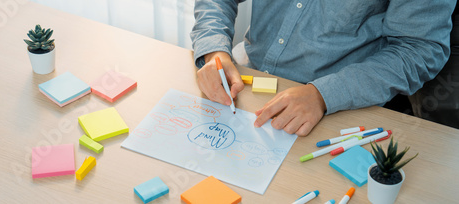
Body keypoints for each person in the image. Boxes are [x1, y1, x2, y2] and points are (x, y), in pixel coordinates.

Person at [190, 0, 456, 136]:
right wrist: (213, 49)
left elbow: (419, 50)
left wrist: (323, 94)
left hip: (334, 107)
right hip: (245, 75)